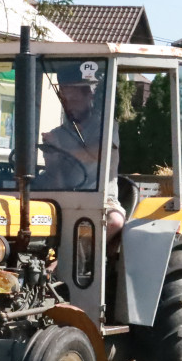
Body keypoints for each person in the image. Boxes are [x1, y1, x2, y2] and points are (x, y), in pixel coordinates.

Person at [36, 61, 125, 241]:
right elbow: (55, 178)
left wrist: (60, 149)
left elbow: (99, 153)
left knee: (114, 221)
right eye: (66, 101)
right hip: (63, 199)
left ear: (89, 96)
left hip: (100, 201)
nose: (70, 106)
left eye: (75, 100)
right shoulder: (58, 134)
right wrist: (51, 156)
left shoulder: (107, 127)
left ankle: (73, 264)